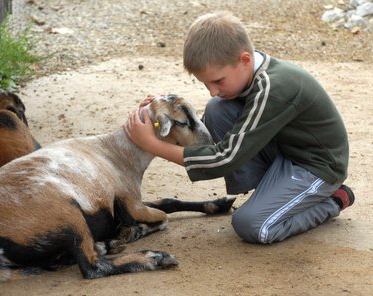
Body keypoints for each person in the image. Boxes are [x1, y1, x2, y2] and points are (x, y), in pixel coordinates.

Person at [123, 11, 354, 244]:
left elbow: (224, 157)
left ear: (244, 60)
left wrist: (150, 144)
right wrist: (160, 110)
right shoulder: (247, 72)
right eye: (205, 83)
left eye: (217, 81)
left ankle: (333, 200)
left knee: (252, 225)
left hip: (316, 167)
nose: (212, 90)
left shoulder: (272, 88)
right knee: (218, 108)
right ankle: (273, 195)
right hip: (284, 150)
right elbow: (217, 143)